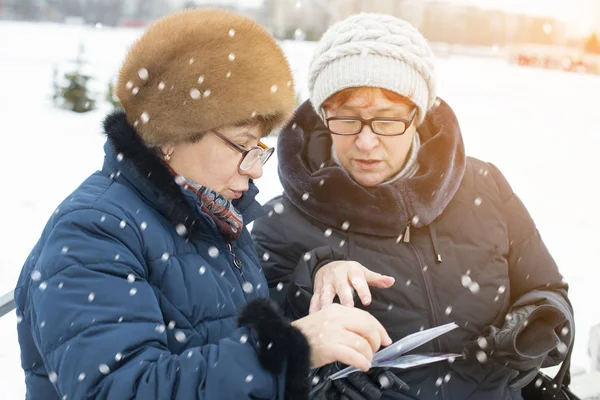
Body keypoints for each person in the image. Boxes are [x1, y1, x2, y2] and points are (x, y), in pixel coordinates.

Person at [13, 9, 392, 400]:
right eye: (242, 145)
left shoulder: (210, 217)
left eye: (258, 147)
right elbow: (122, 389)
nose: (257, 171)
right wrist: (288, 352)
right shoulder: (93, 232)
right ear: (170, 135)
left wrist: (316, 341)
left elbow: (216, 337)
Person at [252, 13, 575, 400]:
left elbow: (547, 289)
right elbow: (253, 354)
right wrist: (317, 367)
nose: (366, 142)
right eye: (347, 119)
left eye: (387, 120)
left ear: (416, 117)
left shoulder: (486, 187)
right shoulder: (279, 222)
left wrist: (536, 321)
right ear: (324, 117)